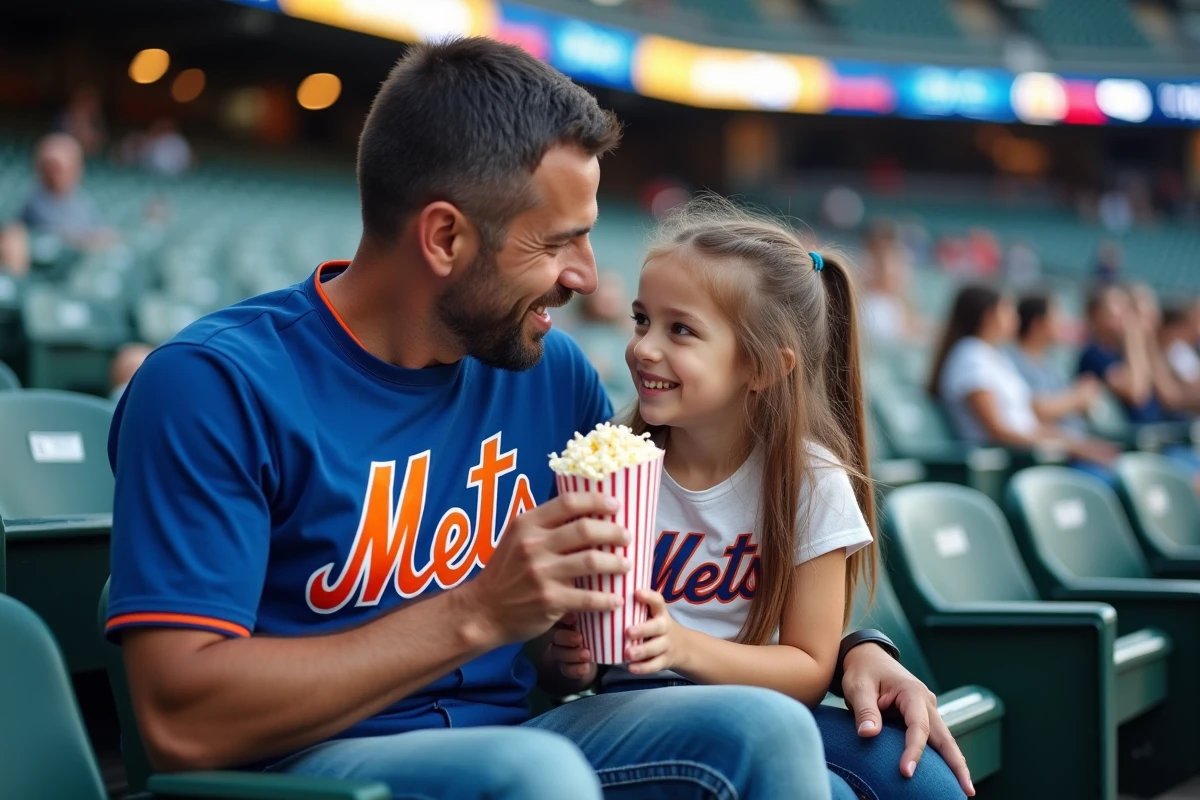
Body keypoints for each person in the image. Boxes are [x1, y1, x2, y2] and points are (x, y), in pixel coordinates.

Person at [106, 38, 972, 800]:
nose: (588, 277)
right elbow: (183, 721)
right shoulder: (215, 386)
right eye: (558, 242)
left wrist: (854, 649)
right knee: (535, 775)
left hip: (530, 733)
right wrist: (478, 614)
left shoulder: (549, 375)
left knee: (827, 746)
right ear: (445, 238)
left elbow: (685, 556)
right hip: (316, 764)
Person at [547, 197, 967, 799]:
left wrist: (682, 646)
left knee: (923, 782)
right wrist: (567, 658)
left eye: (680, 329)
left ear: (765, 367)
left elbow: (807, 669)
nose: (643, 347)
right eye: (641, 320)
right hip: (633, 711)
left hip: (762, 703)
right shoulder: (609, 460)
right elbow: (564, 657)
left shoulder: (810, 478)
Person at [930, 285, 1119, 480]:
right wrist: (1070, 448)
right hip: (1012, 465)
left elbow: (1026, 423)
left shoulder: (994, 355)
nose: (1016, 318)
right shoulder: (971, 357)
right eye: (1007, 311)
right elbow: (998, 431)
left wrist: (1079, 444)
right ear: (990, 317)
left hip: (1030, 458)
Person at [1009, 295, 1101, 438]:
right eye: (1056, 318)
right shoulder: (1012, 362)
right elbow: (1034, 410)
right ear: (1037, 324)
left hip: (1074, 439)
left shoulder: (1051, 363)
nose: (1063, 324)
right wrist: (1078, 398)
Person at [20, 133, 117, 251]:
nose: (52, 173)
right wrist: (90, 240)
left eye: (57, 168)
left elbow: (96, 231)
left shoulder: (83, 200)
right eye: (48, 166)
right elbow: (58, 237)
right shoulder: (34, 201)